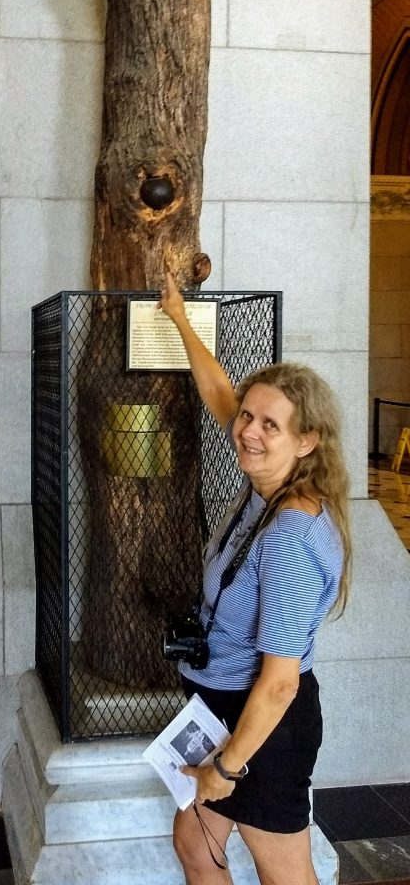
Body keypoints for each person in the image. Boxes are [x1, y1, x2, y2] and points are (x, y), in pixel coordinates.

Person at [158, 269, 352, 885]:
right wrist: (180, 318)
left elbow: (279, 685)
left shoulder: (293, 533)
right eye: (249, 417)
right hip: (222, 709)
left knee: (286, 876)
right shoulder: (265, 481)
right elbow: (222, 394)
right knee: (194, 842)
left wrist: (228, 768)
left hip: (262, 729)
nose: (248, 430)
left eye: (271, 425)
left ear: (307, 442)